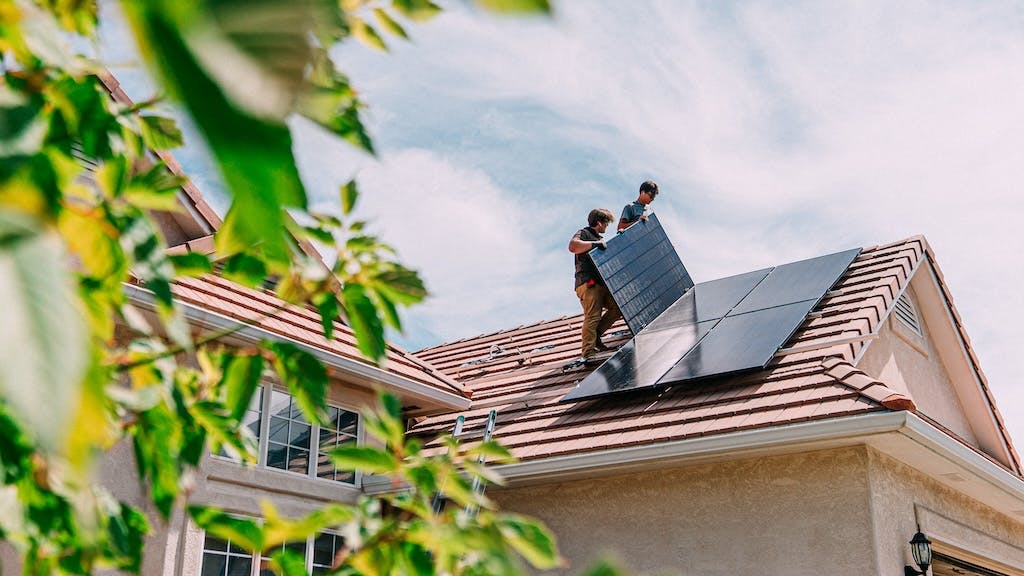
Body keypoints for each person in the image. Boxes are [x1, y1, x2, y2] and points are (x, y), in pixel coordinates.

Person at [568, 208, 622, 360]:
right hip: (588, 283)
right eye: (606, 223)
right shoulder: (583, 234)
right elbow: (573, 246)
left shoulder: (598, 239)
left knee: (617, 308)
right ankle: (588, 352)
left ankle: (596, 334)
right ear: (599, 223)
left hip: (600, 285)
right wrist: (594, 244)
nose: (607, 226)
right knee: (593, 316)